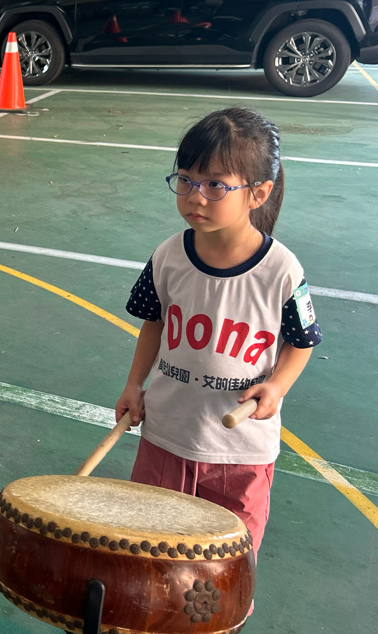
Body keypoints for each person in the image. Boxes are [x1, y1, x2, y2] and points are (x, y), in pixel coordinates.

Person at [115, 107, 321, 564]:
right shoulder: (168, 255)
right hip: (165, 436)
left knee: (224, 569)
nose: (195, 197)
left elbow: (302, 341)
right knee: (151, 553)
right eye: (185, 180)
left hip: (240, 454)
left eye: (215, 185)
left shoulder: (282, 270)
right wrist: (134, 384)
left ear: (258, 193)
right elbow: (154, 321)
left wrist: (277, 386)